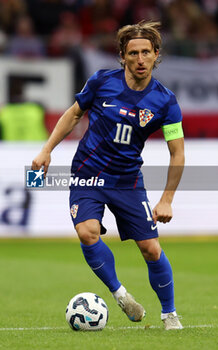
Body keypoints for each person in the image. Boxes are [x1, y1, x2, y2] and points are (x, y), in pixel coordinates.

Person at [32, 21, 185, 330]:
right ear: (122, 56)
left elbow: (177, 153)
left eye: (146, 52)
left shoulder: (165, 101)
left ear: (157, 55)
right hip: (88, 174)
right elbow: (74, 113)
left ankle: (170, 314)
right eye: (133, 53)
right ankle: (120, 295)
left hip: (127, 180)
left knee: (151, 249)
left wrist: (167, 199)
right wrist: (47, 149)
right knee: (87, 232)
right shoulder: (102, 82)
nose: (140, 59)